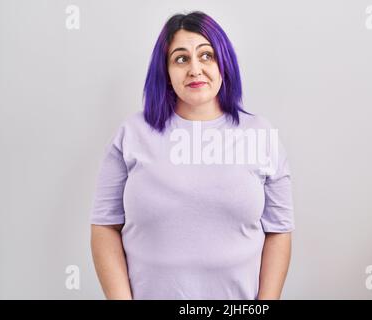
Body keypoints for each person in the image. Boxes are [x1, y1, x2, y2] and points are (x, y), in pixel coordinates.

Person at [90, 10, 295, 300]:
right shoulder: (132, 134)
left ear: (224, 63)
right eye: (181, 58)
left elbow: (279, 231)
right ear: (166, 70)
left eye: (207, 55)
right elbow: (104, 226)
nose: (195, 69)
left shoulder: (260, 134)